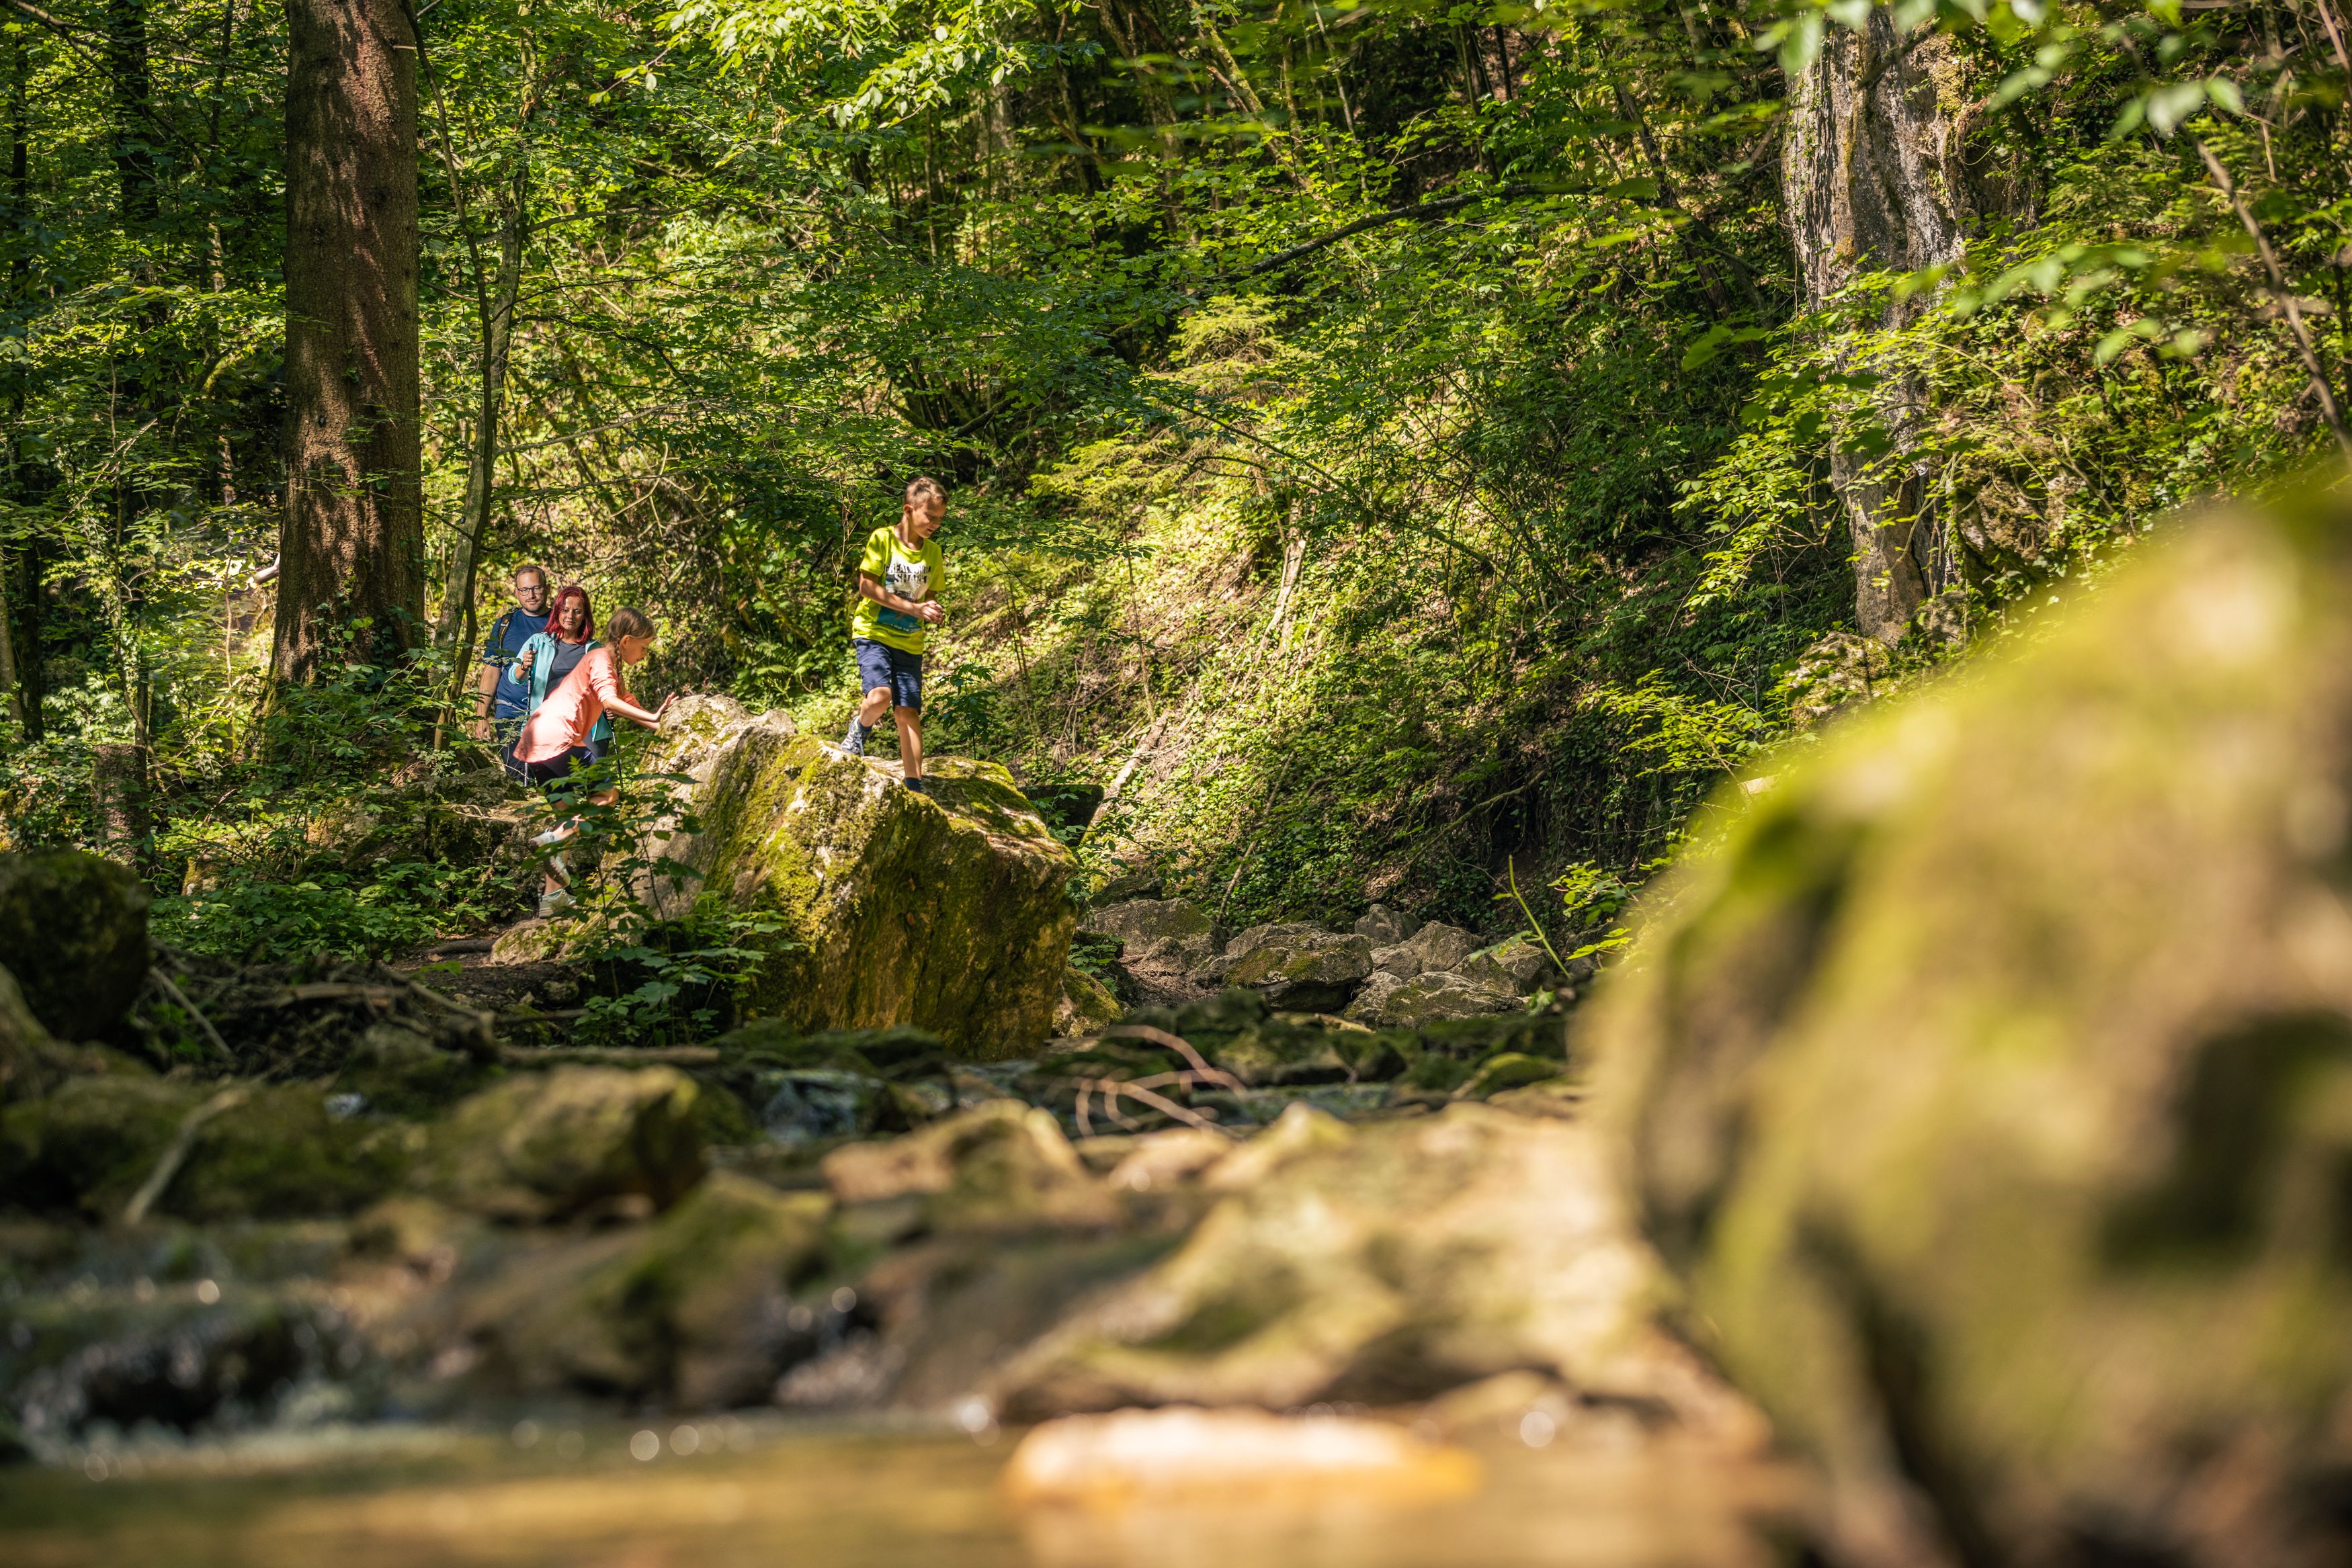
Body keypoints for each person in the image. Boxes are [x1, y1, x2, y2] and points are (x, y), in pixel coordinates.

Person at [512, 606, 674, 916]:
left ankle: (552, 897)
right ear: (626, 640)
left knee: (570, 815)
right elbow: (610, 701)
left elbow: (623, 699)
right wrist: (654, 717)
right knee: (608, 796)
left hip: (535, 740)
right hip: (557, 737)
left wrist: (658, 723)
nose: (644, 654)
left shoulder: (608, 664)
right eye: (643, 648)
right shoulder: (601, 659)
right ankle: (553, 842)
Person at [841, 476, 946, 793]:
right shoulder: (883, 539)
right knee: (881, 697)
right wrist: (913, 609)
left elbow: (932, 596)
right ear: (909, 509)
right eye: (929, 516)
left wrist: (933, 610)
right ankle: (859, 730)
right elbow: (866, 587)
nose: (934, 524)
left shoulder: (934, 553)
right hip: (873, 633)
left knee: (908, 712)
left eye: (940, 519)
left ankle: (914, 786)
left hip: (910, 642)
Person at [509, 584, 614, 773]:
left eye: (577, 612)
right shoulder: (538, 642)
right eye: (565, 610)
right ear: (557, 611)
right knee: (557, 788)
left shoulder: (596, 649)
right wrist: (524, 666)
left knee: (594, 784)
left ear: (585, 616)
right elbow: (514, 678)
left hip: (589, 725)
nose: (570, 616)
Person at [472, 565, 552, 748]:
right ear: (517, 592)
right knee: (515, 773)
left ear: (547, 589)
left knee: (548, 776)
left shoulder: (561, 623)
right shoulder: (505, 625)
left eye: (536, 588)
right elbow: (491, 672)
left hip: (549, 715)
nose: (530, 595)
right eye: (524, 590)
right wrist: (481, 716)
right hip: (510, 713)